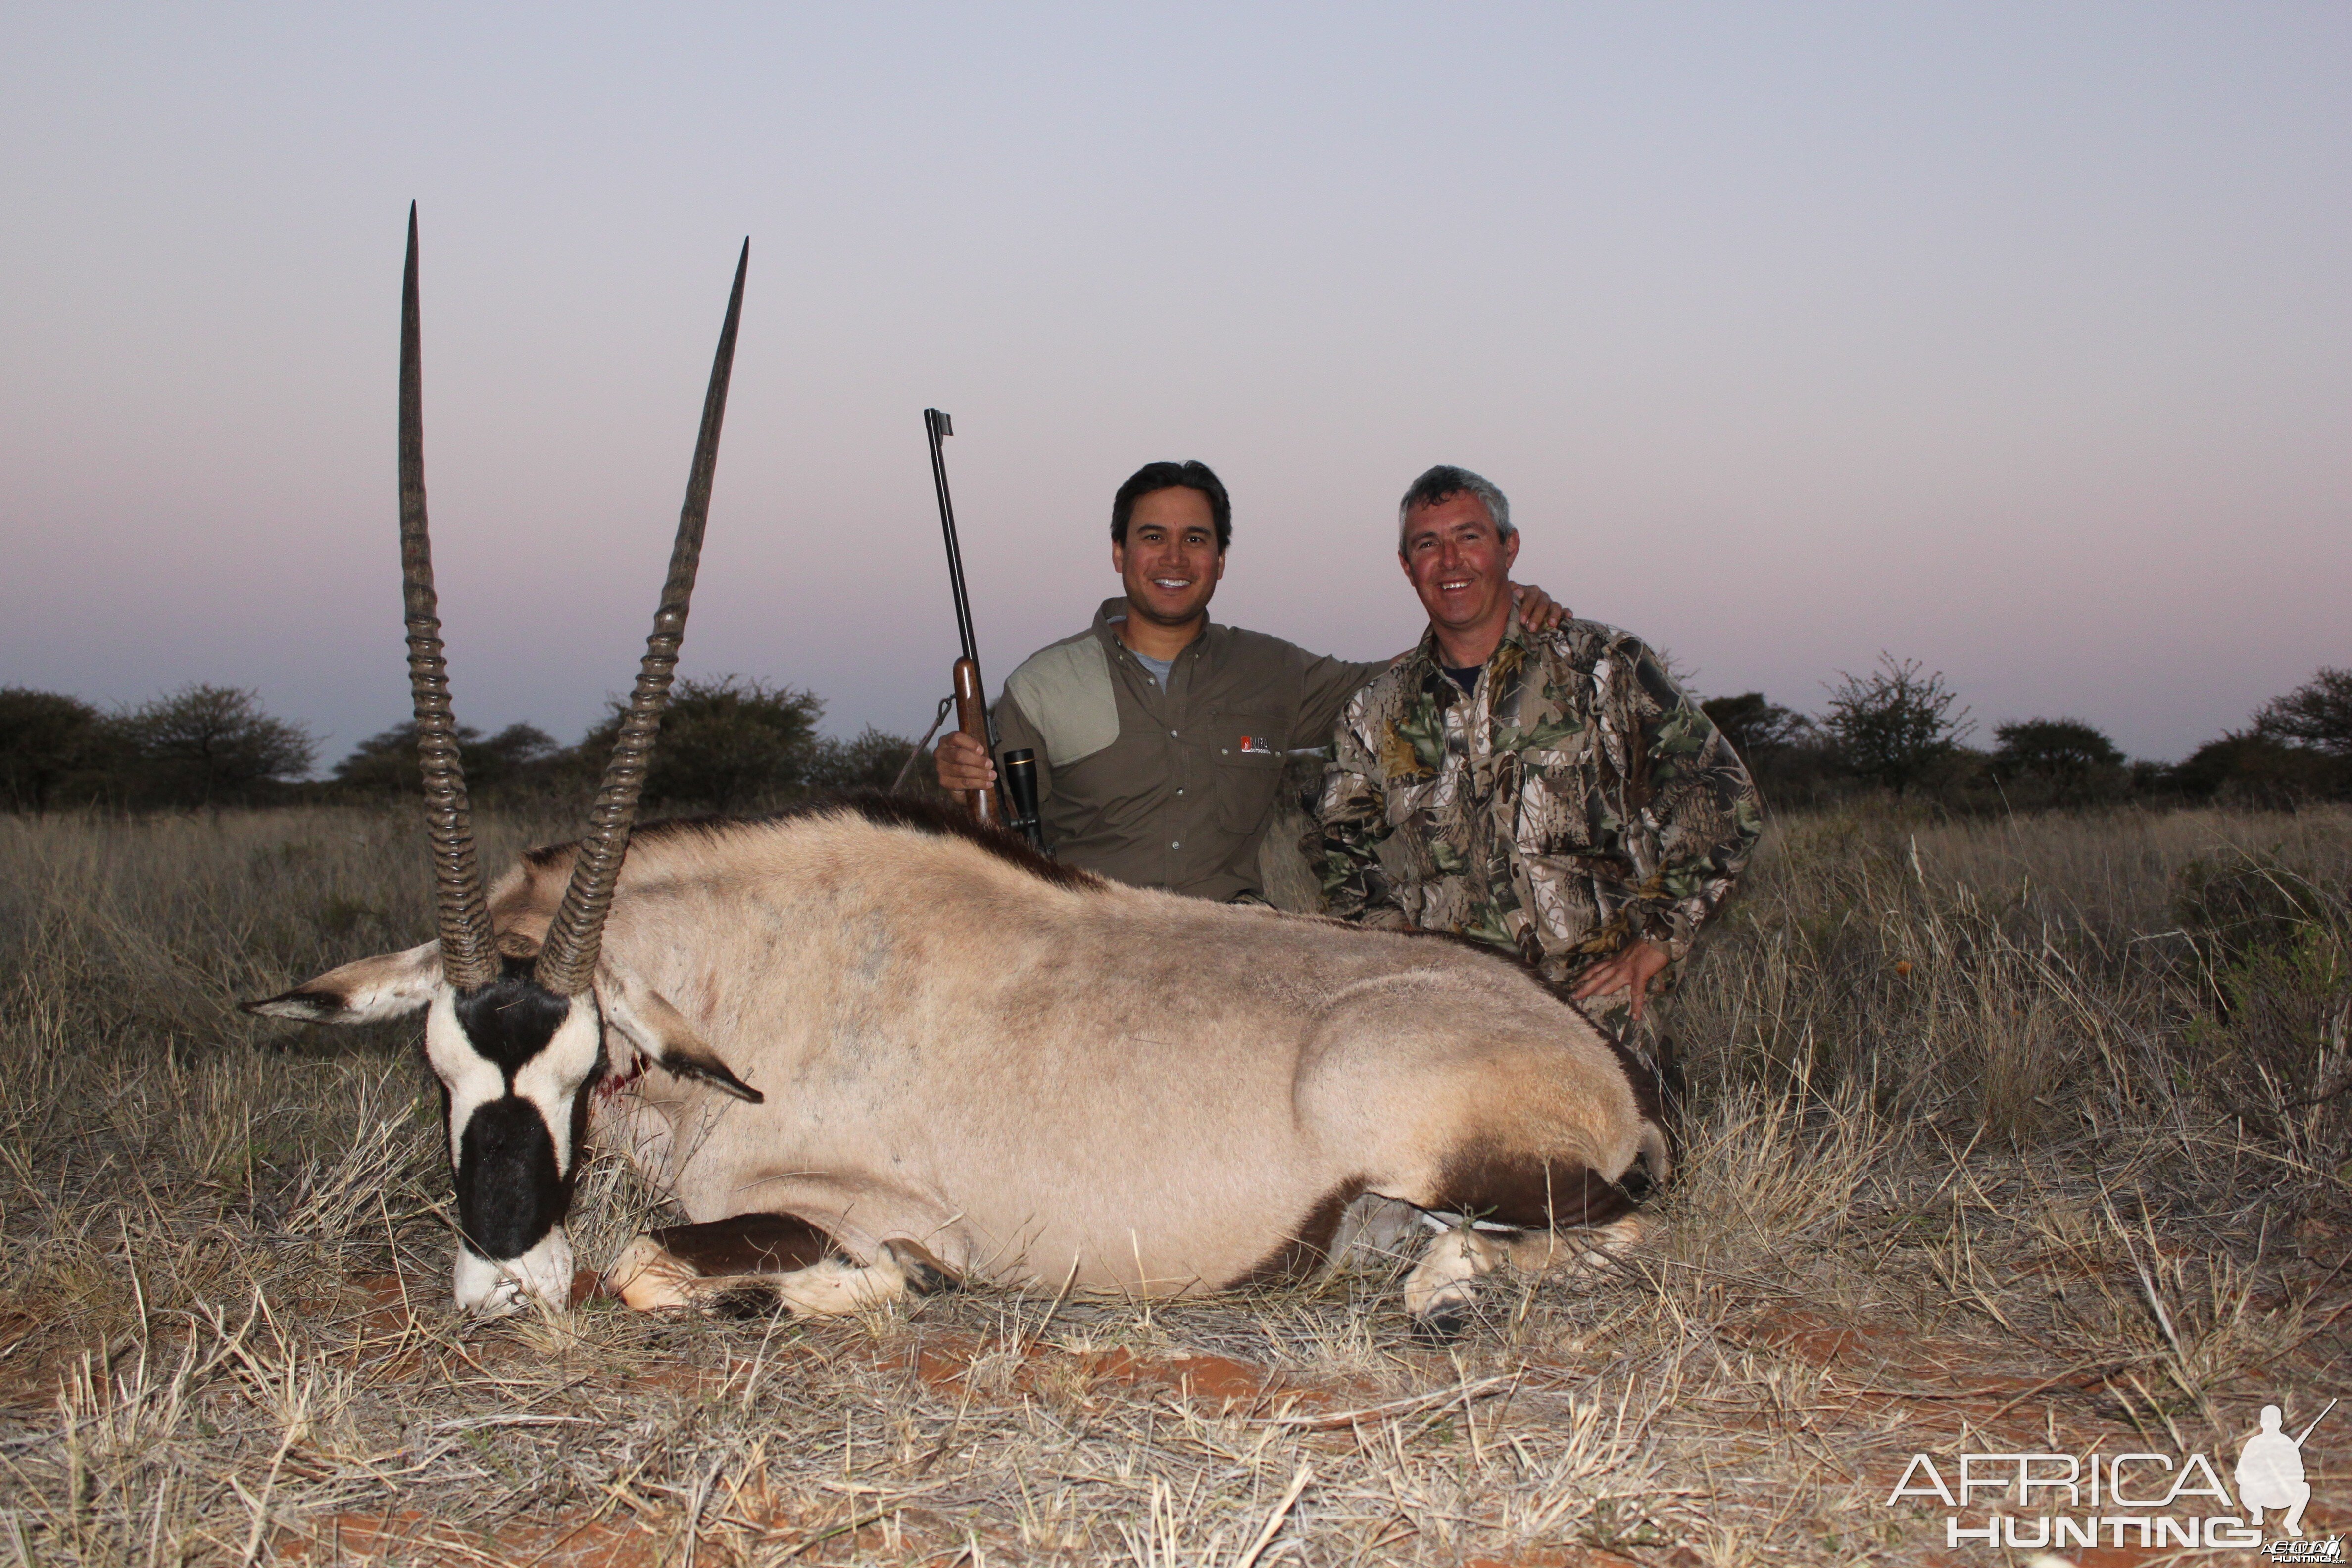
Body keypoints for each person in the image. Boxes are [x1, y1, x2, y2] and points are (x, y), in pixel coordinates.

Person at [935, 460, 1566, 901]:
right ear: (1119, 554)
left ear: (1220, 560)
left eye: (1196, 539)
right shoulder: (1042, 686)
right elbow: (986, 836)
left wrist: (1498, 612)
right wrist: (958, 775)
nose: (1175, 558)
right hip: (1094, 945)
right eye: (1153, 538)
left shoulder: (1273, 671)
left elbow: (1402, 684)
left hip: (1234, 950)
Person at [1317, 464, 1761, 1065]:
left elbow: (1720, 793)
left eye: (1469, 537)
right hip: (1451, 1004)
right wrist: (1398, 951)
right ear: (1406, 566)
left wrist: (1658, 939)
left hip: (1595, 994)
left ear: (1509, 547)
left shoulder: (1604, 666)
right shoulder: (1378, 708)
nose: (1450, 561)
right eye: (1428, 545)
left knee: (1616, 1151)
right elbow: (1336, 844)